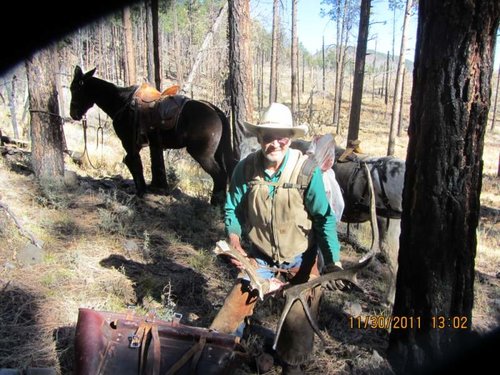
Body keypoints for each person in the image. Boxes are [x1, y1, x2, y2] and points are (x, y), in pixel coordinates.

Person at [209, 103, 343, 375]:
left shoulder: (306, 171)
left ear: (290, 138)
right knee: (226, 321)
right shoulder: (245, 170)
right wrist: (234, 239)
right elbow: (232, 209)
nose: (274, 143)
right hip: (259, 259)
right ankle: (221, 358)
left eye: (281, 137)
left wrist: (334, 261)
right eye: (268, 137)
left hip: (300, 260)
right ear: (259, 138)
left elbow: (324, 218)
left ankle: (290, 365)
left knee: (298, 332)